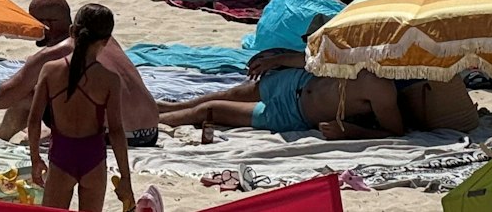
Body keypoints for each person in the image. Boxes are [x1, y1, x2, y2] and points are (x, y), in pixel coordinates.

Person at [0, 0, 161, 149]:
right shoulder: (106, 40)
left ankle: (0, 133)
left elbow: (3, 100)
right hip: (150, 133)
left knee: (29, 94)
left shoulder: (56, 52)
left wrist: (31, 68)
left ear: (47, 24)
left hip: (115, 137)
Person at [155, 49, 403, 141]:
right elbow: (315, 59)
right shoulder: (360, 52)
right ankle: (166, 108)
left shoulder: (381, 87)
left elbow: (394, 131)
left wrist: (349, 132)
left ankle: (152, 121)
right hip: (296, 81)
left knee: (211, 110)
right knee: (230, 93)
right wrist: (277, 60)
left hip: (292, 112)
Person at [28, 4, 135, 212]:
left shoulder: (50, 70)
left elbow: (33, 121)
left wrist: (35, 159)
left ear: (72, 32)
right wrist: (125, 177)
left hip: (61, 157)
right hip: (93, 158)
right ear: (106, 40)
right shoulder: (109, 79)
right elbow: (116, 130)